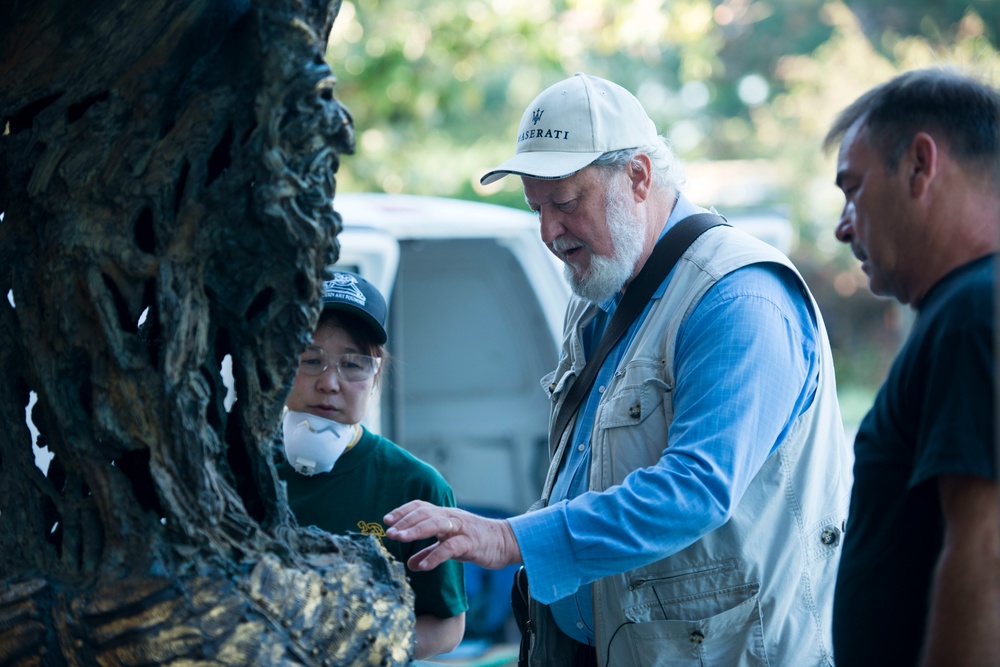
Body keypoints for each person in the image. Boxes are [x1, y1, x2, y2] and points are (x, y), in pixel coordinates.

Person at [384, 73, 852, 666]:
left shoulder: (740, 298)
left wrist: (509, 538)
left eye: (565, 202)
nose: (549, 233)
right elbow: (589, 482)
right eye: (536, 208)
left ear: (638, 176)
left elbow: (696, 489)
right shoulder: (598, 294)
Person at [822, 68, 1000, 666]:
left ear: (921, 166)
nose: (843, 225)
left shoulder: (976, 312)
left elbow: (987, 550)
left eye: (854, 189)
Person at [277, 271, 467, 660]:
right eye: (311, 359)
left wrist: (355, 650)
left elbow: (447, 625)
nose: (330, 383)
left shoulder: (416, 485)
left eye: (352, 365)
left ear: (376, 373)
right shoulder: (233, 466)